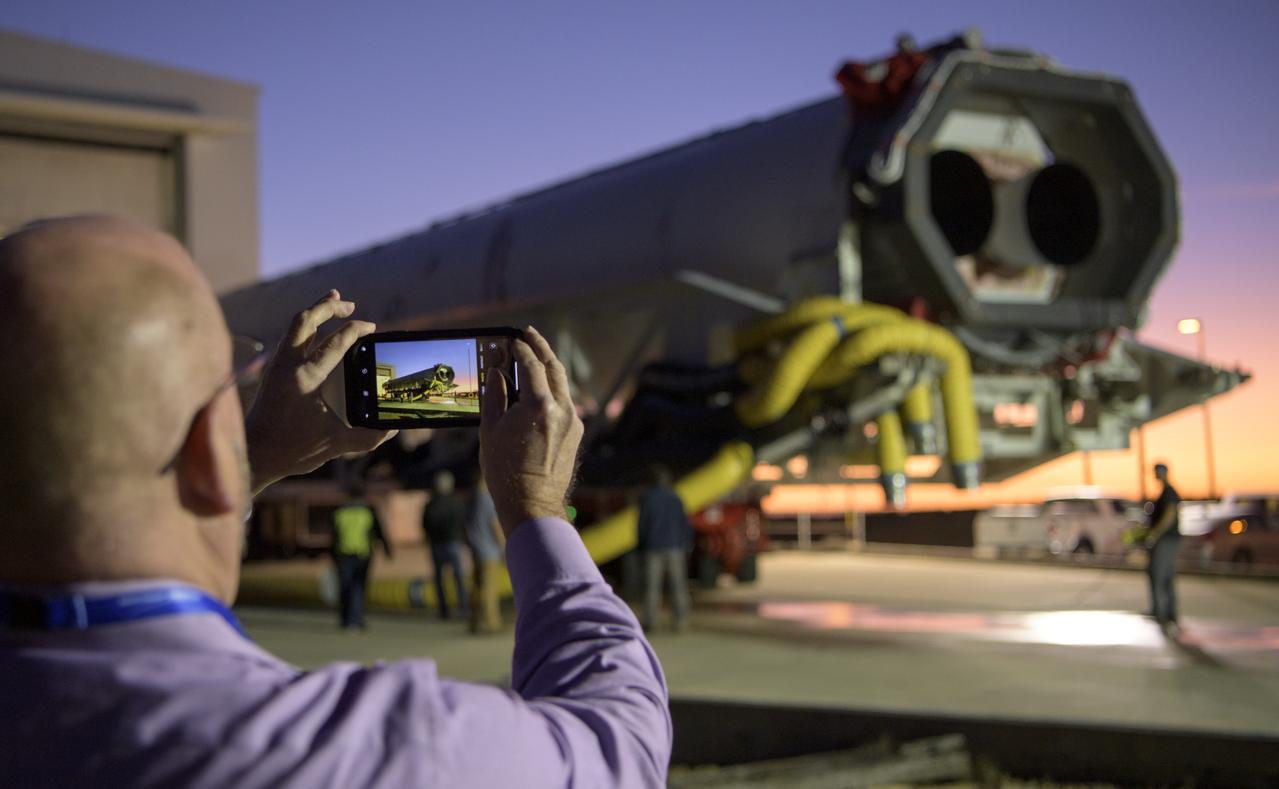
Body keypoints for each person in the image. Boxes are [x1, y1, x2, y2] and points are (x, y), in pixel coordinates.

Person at [0, 216, 669, 787]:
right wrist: (535, 506)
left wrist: (251, 454)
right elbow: (622, 751)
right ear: (208, 453)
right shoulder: (364, 752)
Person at [637, 465, 694, 632]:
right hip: (675, 547)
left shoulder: (647, 499)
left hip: (653, 547)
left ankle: (651, 622)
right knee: (678, 586)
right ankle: (681, 621)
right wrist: (686, 543)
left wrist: (641, 546)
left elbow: (642, 526)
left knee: (652, 587)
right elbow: (685, 524)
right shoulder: (676, 498)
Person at [331, 479, 394, 630]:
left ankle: (345, 620)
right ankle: (357, 619)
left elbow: (333, 536)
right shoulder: (368, 510)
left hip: (343, 555)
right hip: (363, 555)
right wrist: (387, 550)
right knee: (359, 587)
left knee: (345, 587)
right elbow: (379, 531)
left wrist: (333, 556)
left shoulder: (340, 510)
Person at [423, 469, 470, 620]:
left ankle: (443, 610)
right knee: (458, 578)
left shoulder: (431, 503)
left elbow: (425, 524)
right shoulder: (456, 502)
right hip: (454, 543)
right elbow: (463, 523)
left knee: (439, 579)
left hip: (437, 544)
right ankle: (463, 608)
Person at [1145, 462, 1182, 635]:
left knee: (1160, 575)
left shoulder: (1169, 493)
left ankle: (1162, 613)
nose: (1155, 475)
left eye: (1156, 472)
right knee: (1165, 577)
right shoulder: (1166, 492)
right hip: (1167, 539)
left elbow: (1169, 515)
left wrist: (1155, 534)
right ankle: (1168, 613)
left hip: (1166, 540)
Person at [466, 475, 506, 633]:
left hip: (476, 549)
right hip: (489, 552)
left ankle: (473, 621)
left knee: (476, 587)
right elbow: (495, 525)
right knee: (489, 589)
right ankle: (492, 623)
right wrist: (504, 547)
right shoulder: (488, 499)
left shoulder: (473, 499)